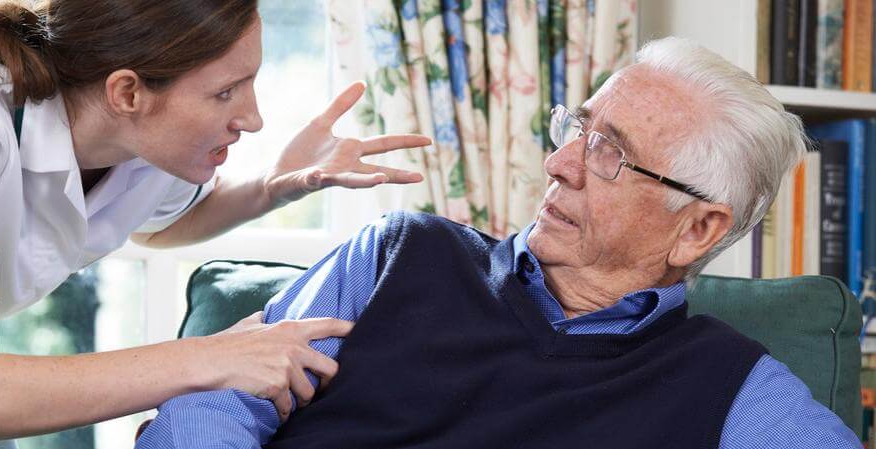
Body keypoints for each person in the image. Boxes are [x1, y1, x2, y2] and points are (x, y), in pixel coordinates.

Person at [134, 37, 863, 449]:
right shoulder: (395, 255)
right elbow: (215, 404)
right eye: (578, 128)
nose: (559, 162)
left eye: (610, 153)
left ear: (697, 228)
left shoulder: (736, 388)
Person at [0, 1, 433, 448]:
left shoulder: (136, 140)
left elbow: (163, 226)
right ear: (127, 92)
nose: (254, 119)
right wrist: (214, 357)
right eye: (225, 91)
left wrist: (271, 185)